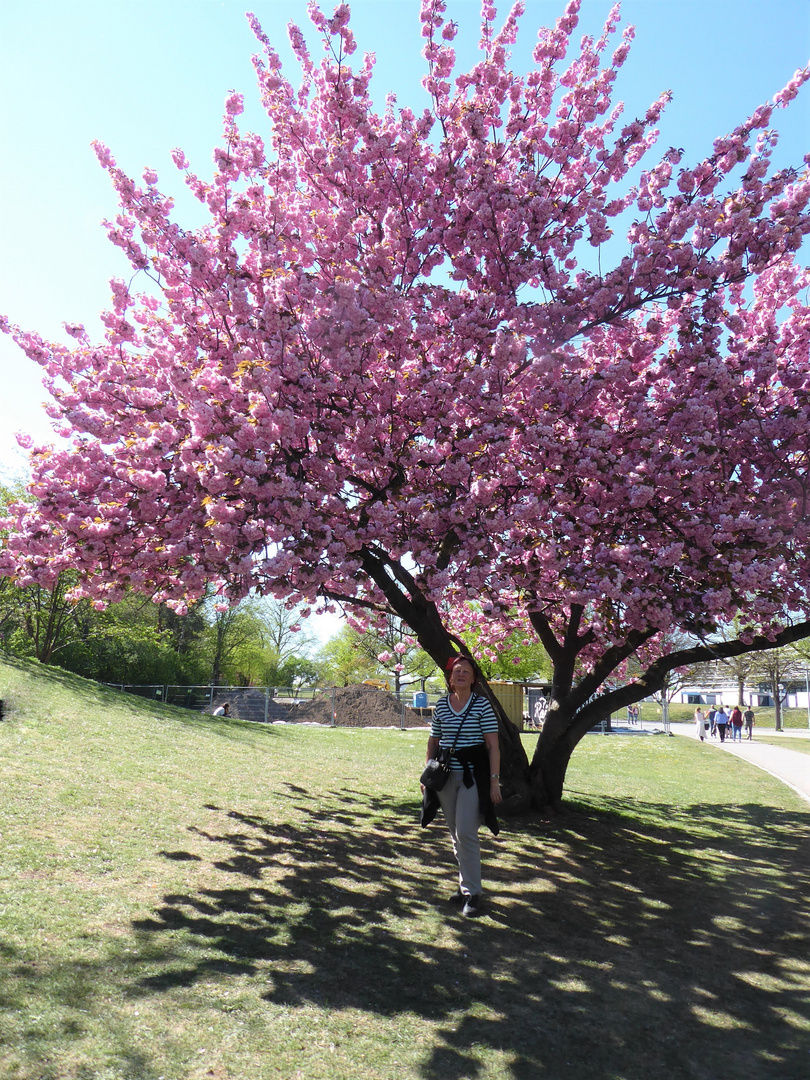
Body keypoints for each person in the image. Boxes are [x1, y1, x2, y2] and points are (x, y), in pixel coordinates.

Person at [420, 656, 502, 918]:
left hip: (472, 778)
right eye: (457, 671)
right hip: (446, 778)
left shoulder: (482, 706)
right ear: (450, 678)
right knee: (456, 834)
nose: (461, 675)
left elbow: (492, 746)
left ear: (474, 679)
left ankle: (474, 893)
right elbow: (433, 742)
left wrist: (493, 781)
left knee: (467, 832)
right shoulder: (442, 705)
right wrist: (427, 776)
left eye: (466, 671)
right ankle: (465, 886)